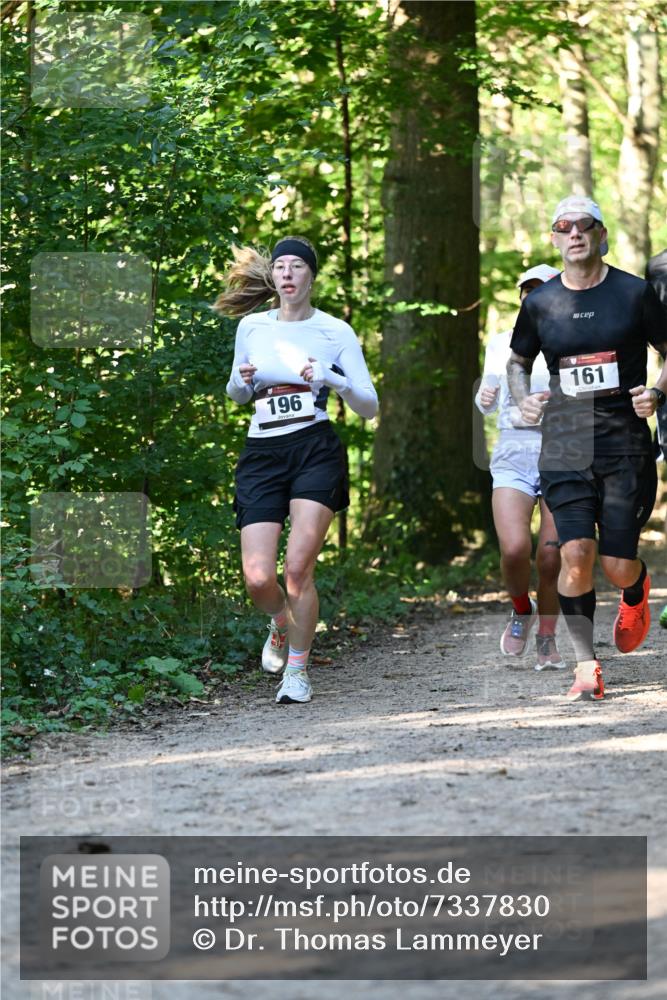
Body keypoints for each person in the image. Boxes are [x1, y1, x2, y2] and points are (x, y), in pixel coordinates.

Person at [507, 196, 667, 700]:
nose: (573, 233)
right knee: (573, 552)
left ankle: (635, 589)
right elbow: (517, 362)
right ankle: (586, 666)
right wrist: (523, 401)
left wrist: (656, 392)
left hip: (623, 442)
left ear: (599, 234)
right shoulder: (539, 303)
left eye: (584, 225)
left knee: (616, 564)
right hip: (565, 439)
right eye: (562, 227)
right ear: (554, 239)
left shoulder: (636, 293)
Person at [214, 236, 378, 705]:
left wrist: (333, 379)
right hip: (262, 453)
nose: (287, 273)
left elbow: (368, 406)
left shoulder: (335, 331)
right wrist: (239, 382)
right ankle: (282, 623)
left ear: (311, 276)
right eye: (280, 266)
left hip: (314, 449)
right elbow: (237, 394)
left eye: (297, 266)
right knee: (259, 578)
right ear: (274, 278)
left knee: (297, 571)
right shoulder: (252, 327)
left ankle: (298, 673)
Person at [476, 264, 565, 670]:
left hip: (562, 454)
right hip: (513, 452)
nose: (531, 297)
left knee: (551, 558)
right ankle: (520, 609)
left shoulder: (573, 339)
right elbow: (486, 403)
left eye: (539, 289)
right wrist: (487, 394)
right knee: (514, 549)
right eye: (525, 291)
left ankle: (547, 637)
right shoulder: (500, 342)